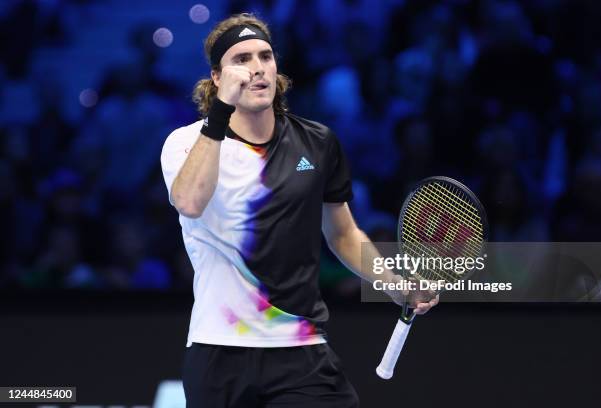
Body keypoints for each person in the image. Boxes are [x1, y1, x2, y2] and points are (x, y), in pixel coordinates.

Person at [160, 13, 438, 408]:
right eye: (241, 60)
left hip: (301, 350)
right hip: (218, 350)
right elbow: (189, 201)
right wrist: (220, 116)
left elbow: (342, 233)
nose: (257, 68)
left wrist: (394, 284)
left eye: (265, 56)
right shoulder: (187, 142)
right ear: (217, 78)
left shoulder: (317, 142)